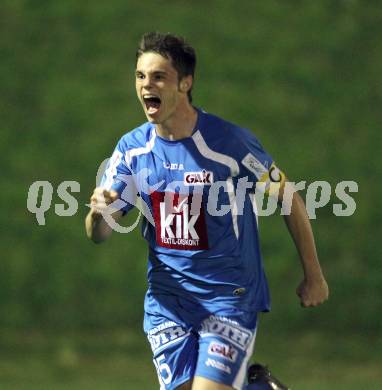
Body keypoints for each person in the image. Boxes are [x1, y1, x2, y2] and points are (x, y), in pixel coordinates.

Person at [85, 32, 329, 390]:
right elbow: (99, 234)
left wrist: (314, 274)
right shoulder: (132, 150)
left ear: (185, 82)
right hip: (168, 302)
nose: (145, 85)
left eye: (158, 76)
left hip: (228, 298)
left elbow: (288, 198)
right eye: (139, 76)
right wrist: (98, 214)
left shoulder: (229, 142)